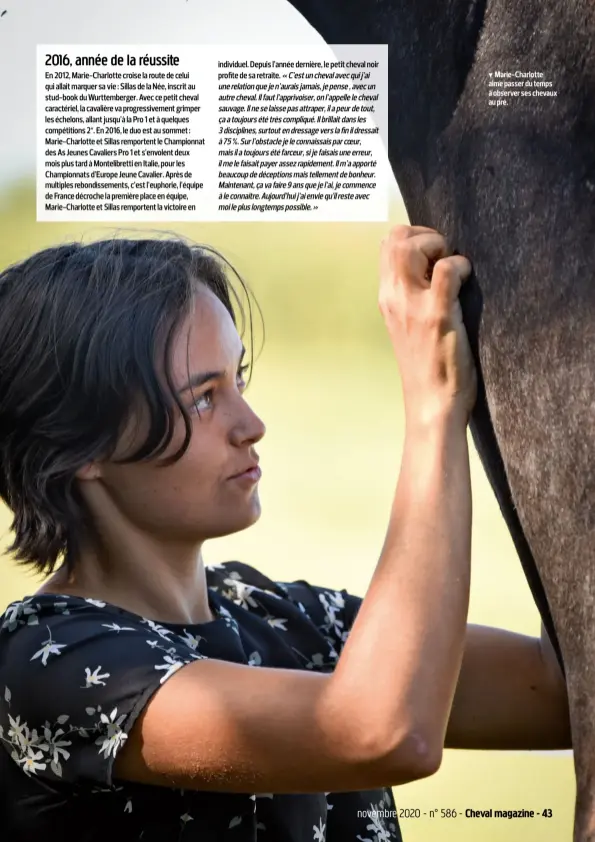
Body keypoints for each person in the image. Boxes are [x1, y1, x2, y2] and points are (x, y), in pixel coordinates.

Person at [0, 225, 570, 842]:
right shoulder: (47, 661)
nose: (252, 424)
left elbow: (559, 690)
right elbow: (382, 732)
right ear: (83, 445)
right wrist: (434, 409)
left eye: (238, 380)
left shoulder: (268, 611)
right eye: (202, 399)